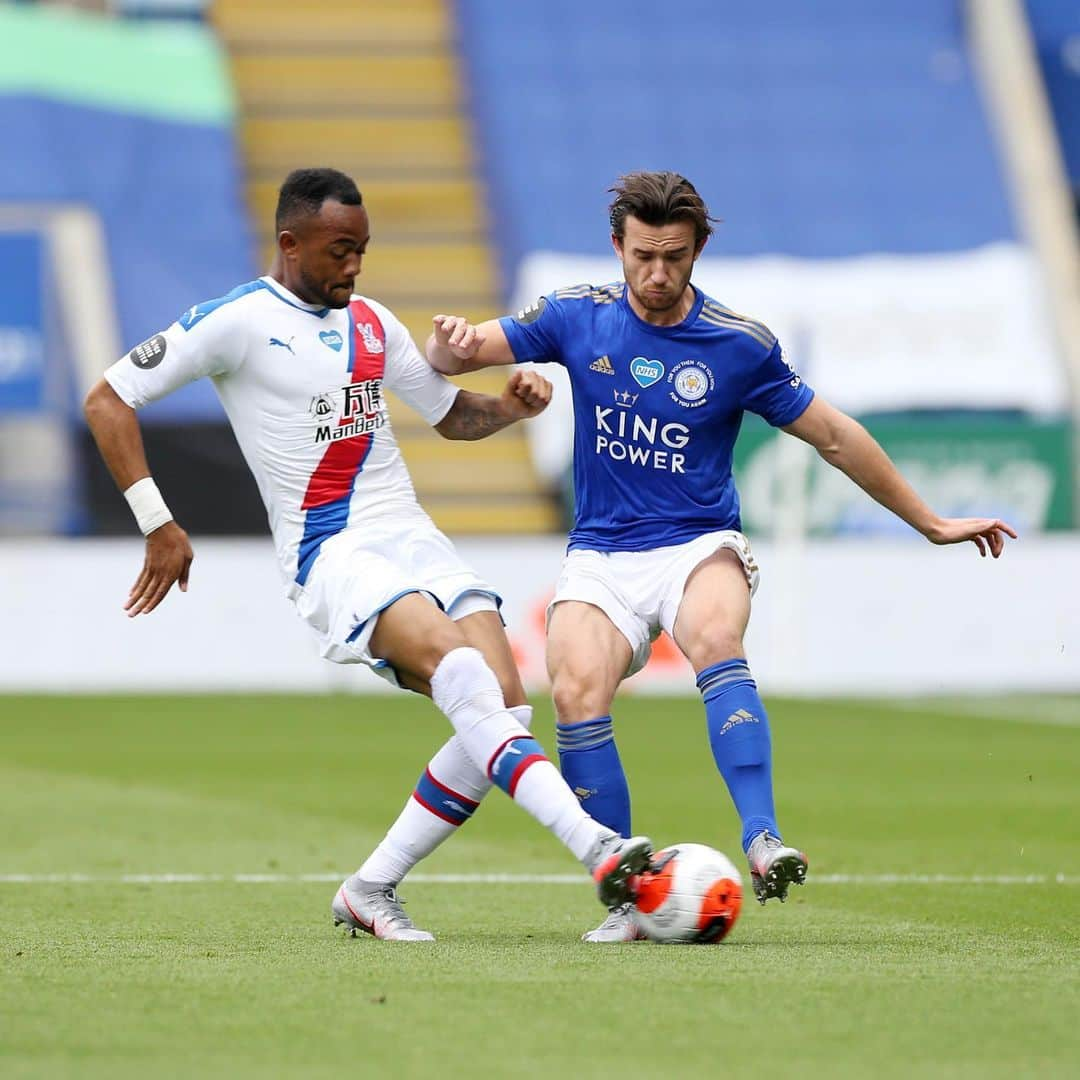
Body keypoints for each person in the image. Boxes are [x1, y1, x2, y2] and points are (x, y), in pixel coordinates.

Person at [423, 170, 1018, 942]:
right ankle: (628, 894)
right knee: (573, 690)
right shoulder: (576, 315)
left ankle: (763, 836)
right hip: (601, 553)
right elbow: (452, 359)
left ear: (699, 247)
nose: (658, 273)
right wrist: (448, 344)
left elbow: (834, 435)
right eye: (643, 256)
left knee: (714, 637)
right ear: (618, 247)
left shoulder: (740, 345)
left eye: (674, 256)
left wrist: (930, 522)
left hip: (699, 541)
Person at [83, 166, 653, 942]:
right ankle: (598, 849)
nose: (354, 267)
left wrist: (511, 408)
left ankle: (369, 887)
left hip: (414, 538)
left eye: (363, 250)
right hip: (332, 551)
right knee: (458, 672)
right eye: (339, 251)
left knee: (504, 705)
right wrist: (158, 524)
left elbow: (451, 416)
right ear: (290, 244)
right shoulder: (236, 322)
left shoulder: (373, 324)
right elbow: (107, 398)